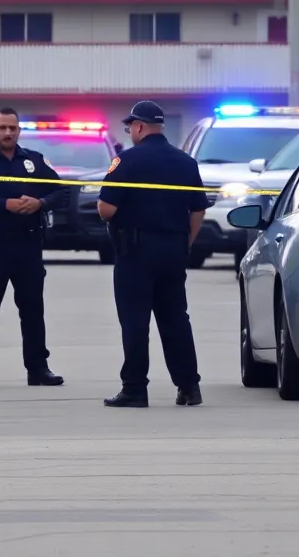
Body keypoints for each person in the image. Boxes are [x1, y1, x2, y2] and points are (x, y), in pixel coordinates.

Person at [97, 100, 210, 408]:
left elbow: (107, 210)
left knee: (135, 320)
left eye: (130, 126)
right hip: (174, 250)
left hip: (135, 251)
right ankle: (189, 386)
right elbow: (198, 208)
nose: (130, 131)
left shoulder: (127, 161)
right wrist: (185, 242)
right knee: (175, 318)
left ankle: (134, 388)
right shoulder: (185, 162)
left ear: (140, 127)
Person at [0, 106, 67, 389]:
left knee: (32, 309)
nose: (8, 132)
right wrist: (4, 205)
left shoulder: (33, 161)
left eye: (13, 128)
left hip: (27, 243)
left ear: (19, 131)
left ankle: (38, 369)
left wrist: (40, 203)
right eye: (3, 127)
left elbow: (61, 190)